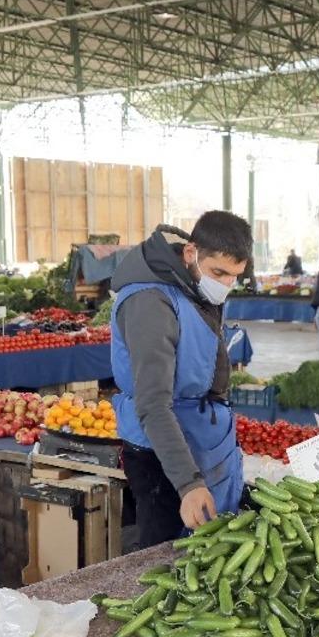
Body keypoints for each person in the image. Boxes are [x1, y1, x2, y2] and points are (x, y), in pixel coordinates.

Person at [110, 213, 251, 547]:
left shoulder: (190, 284)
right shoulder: (150, 303)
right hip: (161, 453)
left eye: (235, 276)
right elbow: (153, 405)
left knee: (206, 554)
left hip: (199, 436)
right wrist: (188, 484)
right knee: (166, 559)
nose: (226, 284)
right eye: (219, 272)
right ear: (191, 253)